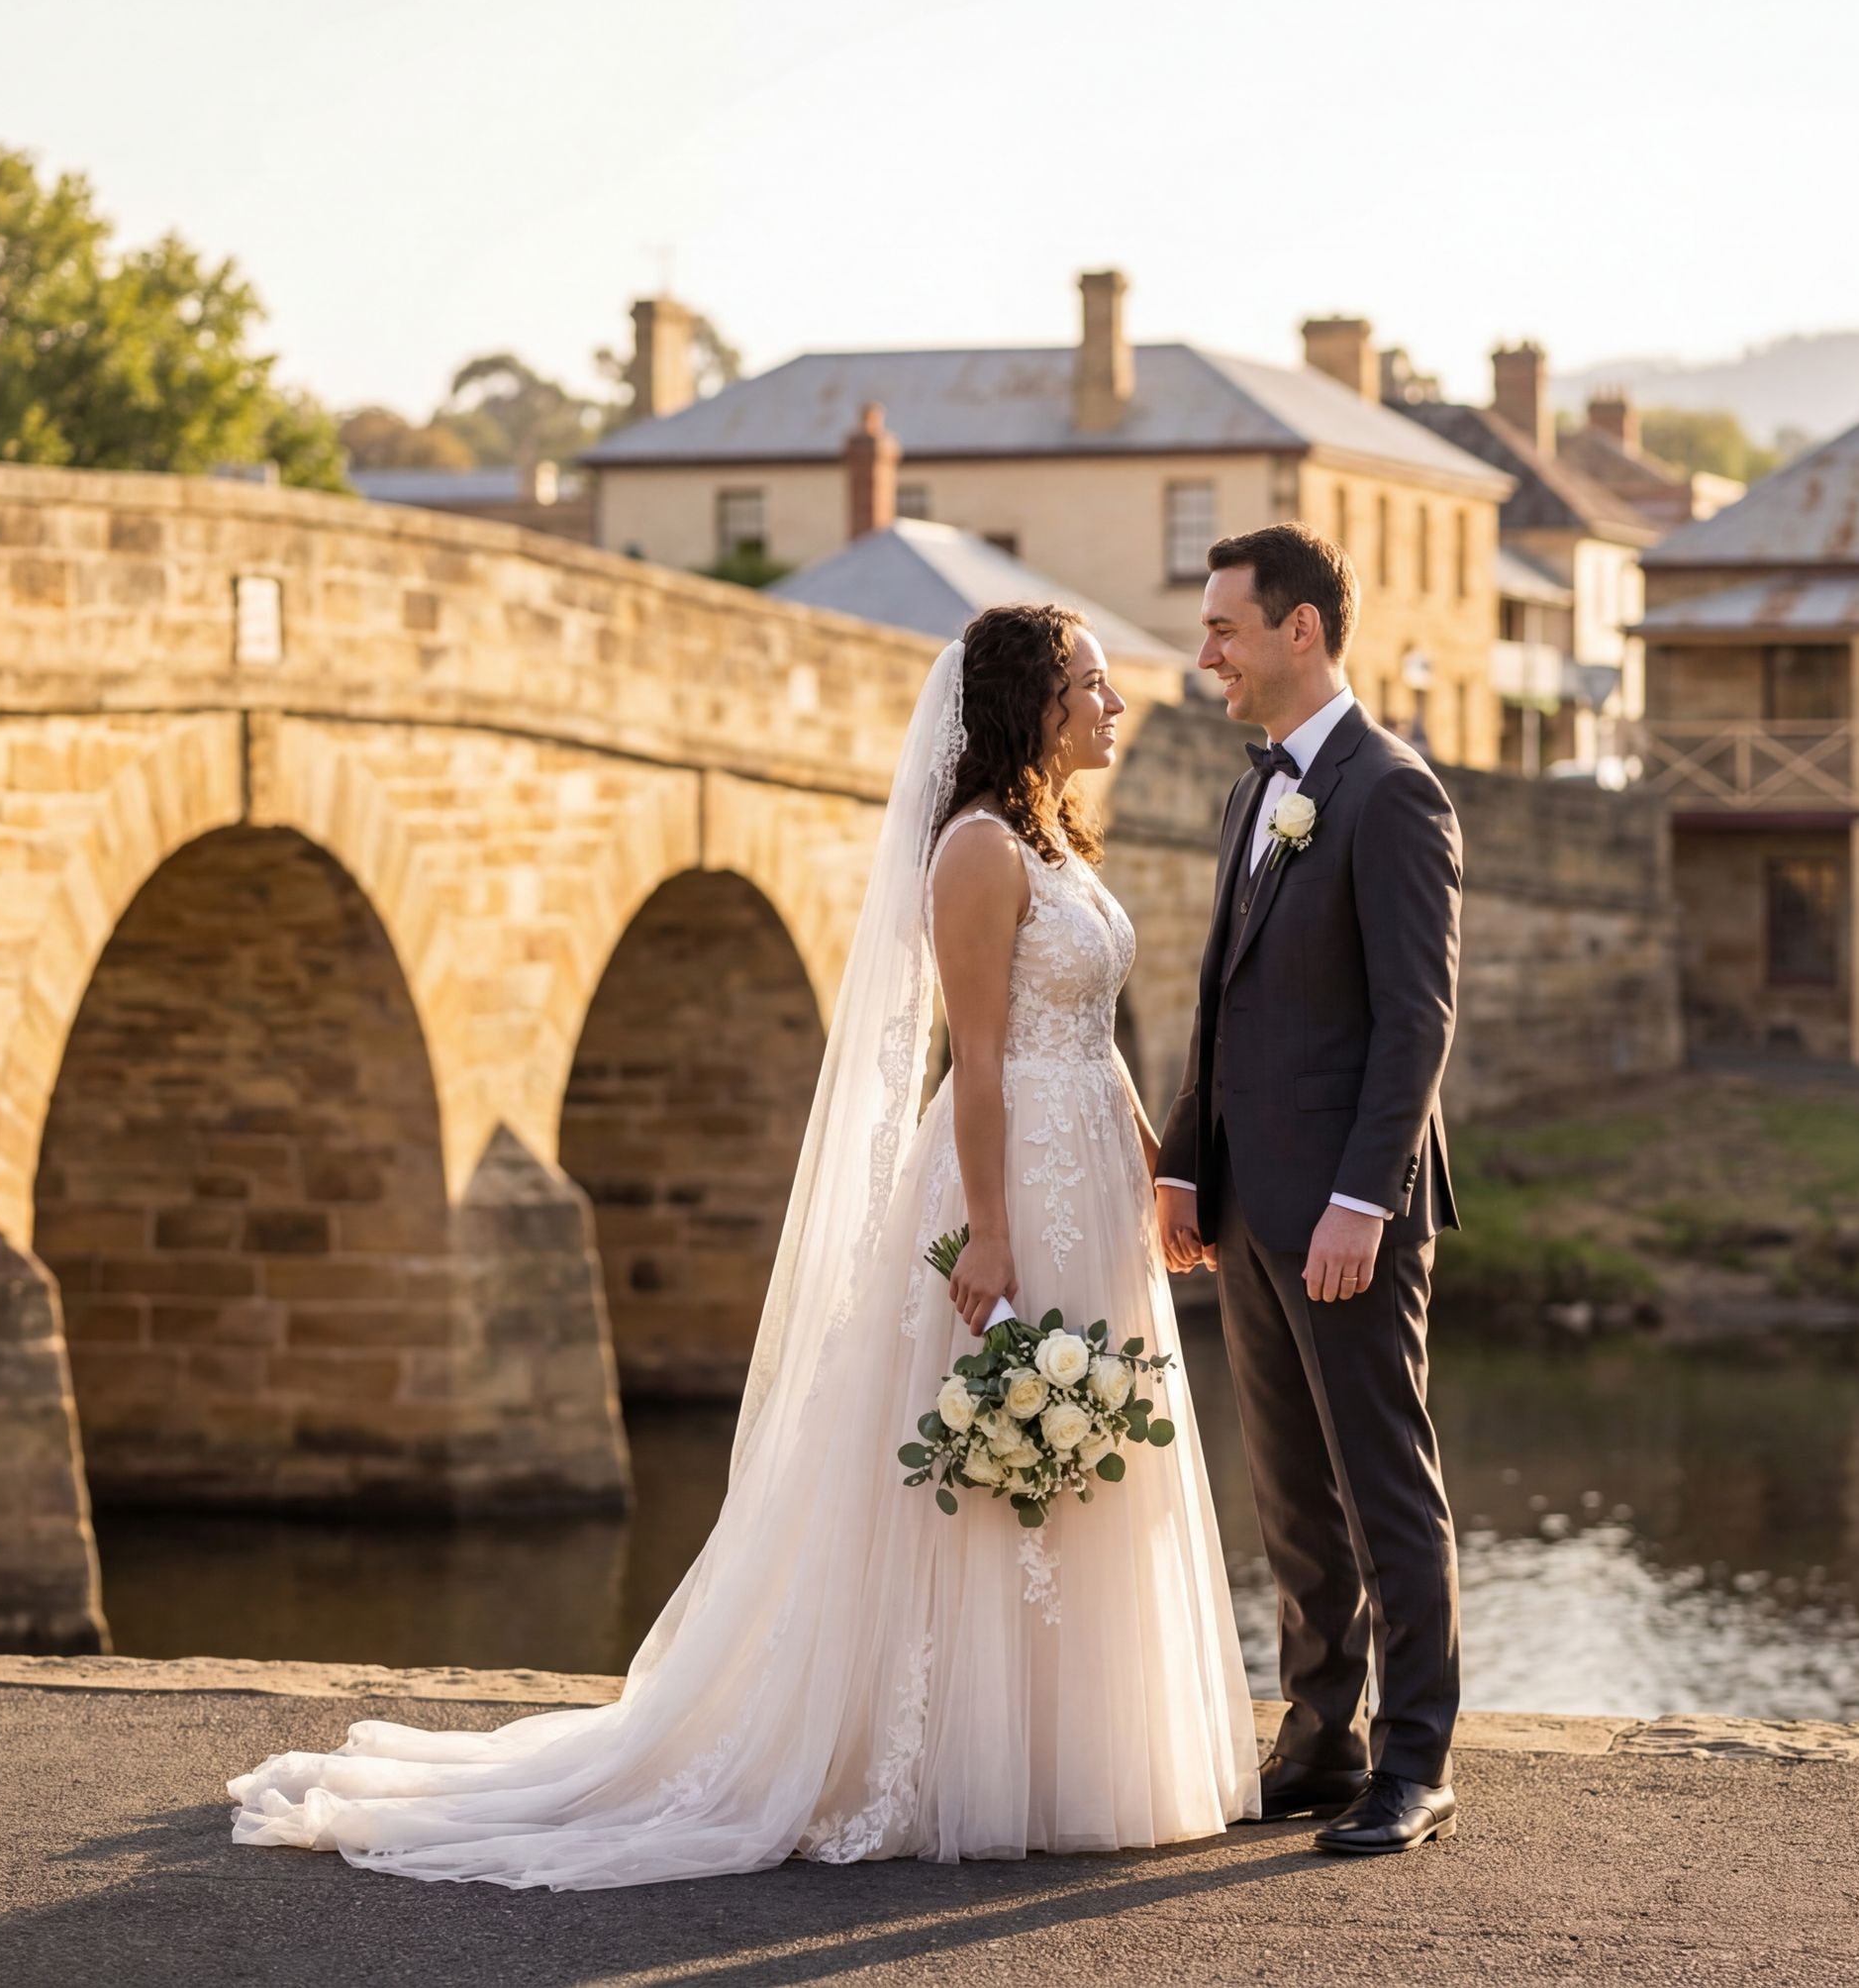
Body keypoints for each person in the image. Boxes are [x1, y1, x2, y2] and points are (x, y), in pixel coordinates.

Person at [228, 604, 1257, 1889]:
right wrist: (989, 1232)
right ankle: (955, 1752)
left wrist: (1161, 1168)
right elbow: (979, 1059)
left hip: (1089, 1171)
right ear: (1034, 704)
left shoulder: (1056, 840)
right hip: (1010, 1179)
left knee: (1088, 1439)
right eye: (1094, 686)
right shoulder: (980, 852)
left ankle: (1070, 1745)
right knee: (1000, 1438)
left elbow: (1088, 1040)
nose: (1116, 705)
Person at [1155, 523, 1467, 1855]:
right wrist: (1183, 1160)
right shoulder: (1253, 794)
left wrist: (1365, 1197)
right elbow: (1219, 1002)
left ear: (1302, 630)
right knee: (1289, 1491)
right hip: (1247, 1202)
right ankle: (1322, 1736)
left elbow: (1417, 1022)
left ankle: (1417, 1760)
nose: (1206, 649)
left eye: (1227, 625)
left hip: (1347, 1211)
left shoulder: (1392, 791)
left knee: (1382, 1478)